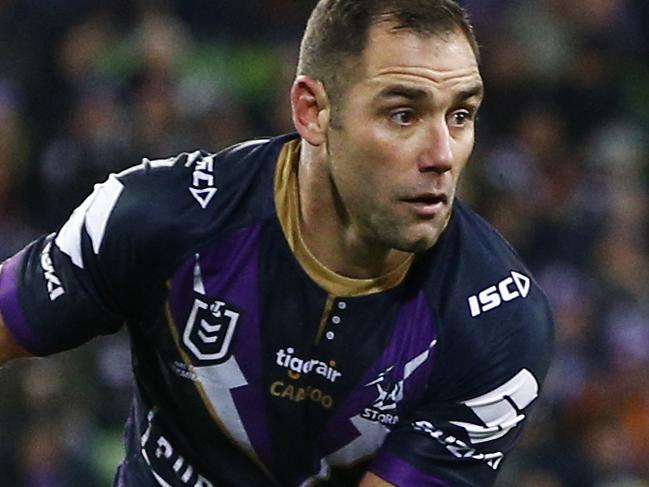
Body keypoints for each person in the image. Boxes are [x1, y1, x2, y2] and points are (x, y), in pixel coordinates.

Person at [0, 1, 554, 485]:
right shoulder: (156, 217)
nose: (442, 154)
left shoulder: (499, 323)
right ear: (312, 111)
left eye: (461, 115)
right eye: (402, 114)